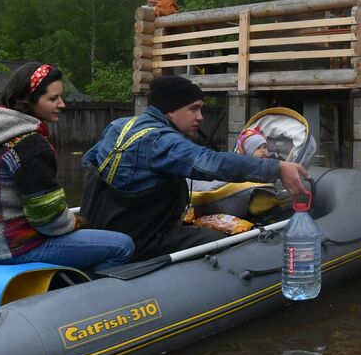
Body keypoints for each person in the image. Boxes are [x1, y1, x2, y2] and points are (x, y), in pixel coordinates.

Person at [82, 75, 309, 262]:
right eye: (194, 109)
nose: (200, 117)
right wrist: (276, 167)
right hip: (143, 240)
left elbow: (88, 161)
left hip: (102, 231)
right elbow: (211, 162)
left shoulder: (119, 125)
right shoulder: (162, 142)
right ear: (170, 110)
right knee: (221, 241)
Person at [0, 63, 134, 271]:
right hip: (13, 248)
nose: (62, 104)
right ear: (27, 101)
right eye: (53, 99)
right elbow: (48, 221)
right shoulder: (31, 146)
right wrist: (79, 223)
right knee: (122, 245)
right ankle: (82, 294)